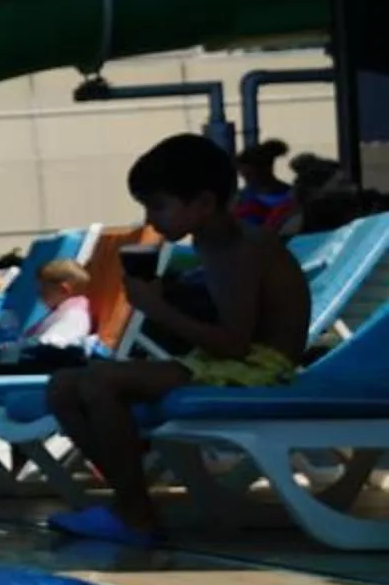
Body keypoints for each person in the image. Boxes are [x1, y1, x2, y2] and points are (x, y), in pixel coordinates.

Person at [46, 134, 312, 547]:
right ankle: (132, 500)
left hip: (262, 370)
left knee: (101, 382)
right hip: (228, 362)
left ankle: (136, 516)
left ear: (203, 203)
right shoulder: (211, 241)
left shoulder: (240, 247)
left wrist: (158, 308)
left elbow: (236, 345)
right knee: (63, 386)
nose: (152, 220)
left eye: (158, 206)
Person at [233, 138, 303, 237]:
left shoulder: (294, 195)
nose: (246, 179)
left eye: (249, 174)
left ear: (266, 168)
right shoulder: (239, 199)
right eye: (243, 174)